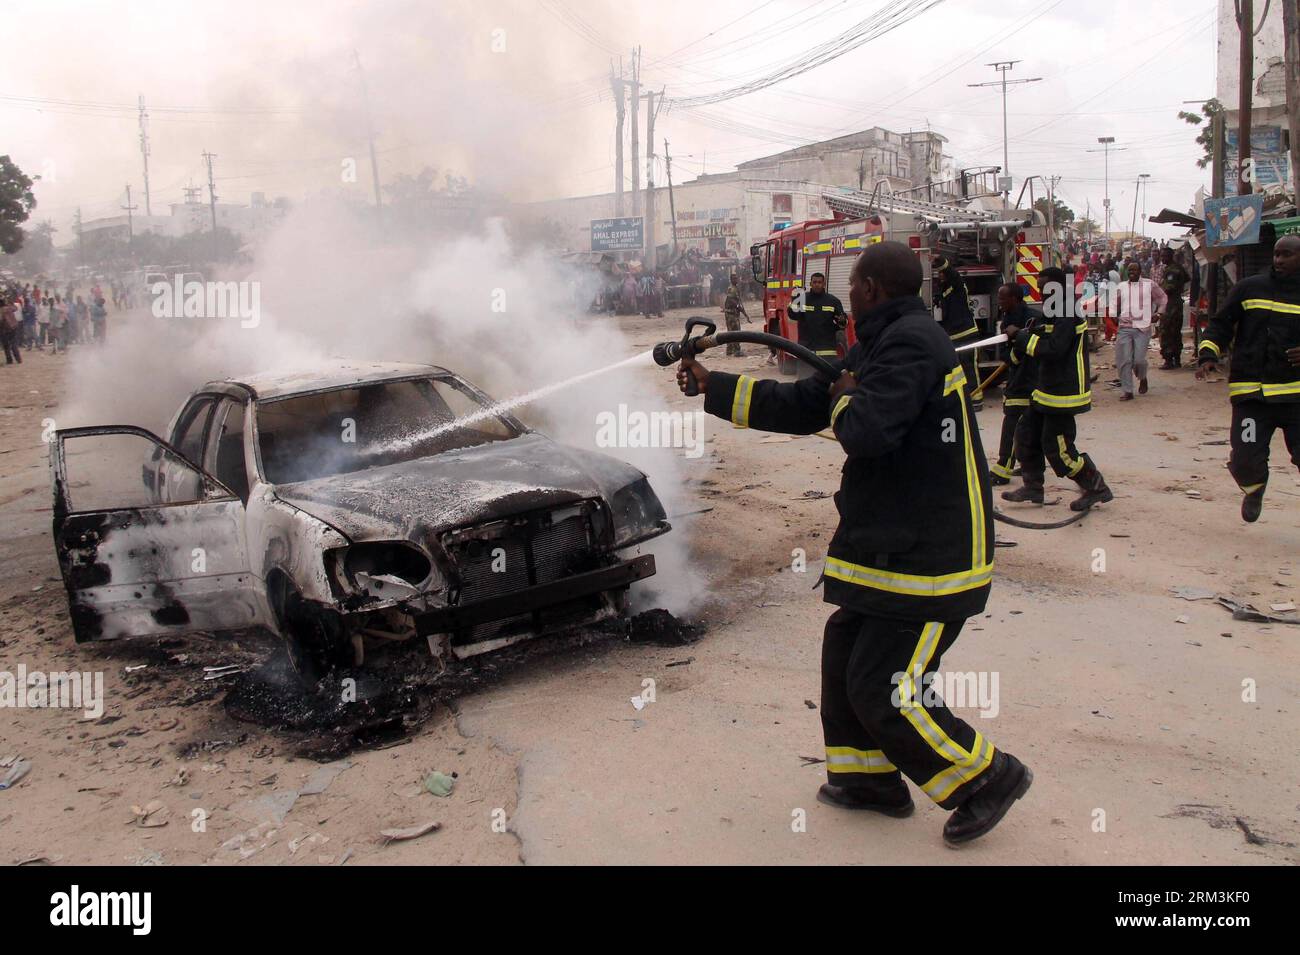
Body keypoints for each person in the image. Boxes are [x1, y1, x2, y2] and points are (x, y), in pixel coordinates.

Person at [674, 241, 1030, 847]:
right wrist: (714, 388)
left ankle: (985, 777)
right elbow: (810, 401)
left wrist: (843, 394)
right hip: (888, 543)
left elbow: (863, 429)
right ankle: (867, 781)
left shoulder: (913, 344)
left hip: (930, 557)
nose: (848, 294)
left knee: (884, 683)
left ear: (869, 288)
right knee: (845, 654)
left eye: (854, 284)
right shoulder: (882, 342)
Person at [1196, 234, 1300, 522]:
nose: (1278, 260)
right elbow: (1220, 324)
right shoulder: (1249, 288)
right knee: (1244, 460)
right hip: (1252, 398)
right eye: (1277, 254)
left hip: (1295, 398)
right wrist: (1208, 355)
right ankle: (1254, 489)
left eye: (1287, 254)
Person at [1001, 267, 1114, 511]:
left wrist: (1021, 339)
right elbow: (1039, 336)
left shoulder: (1067, 312)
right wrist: (1021, 334)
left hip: (1063, 393)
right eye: (1040, 288)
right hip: (1045, 389)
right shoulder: (1053, 310)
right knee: (1026, 434)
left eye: (1045, 288)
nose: (1042, 292)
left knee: (1059, 449)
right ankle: (1033, 487)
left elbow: (1054, 349)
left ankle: (1096, 487)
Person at [990, 283, 1040, 486]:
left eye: (1003, 298)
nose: (999, 302)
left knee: (1013, 423)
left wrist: (1019, 337)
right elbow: (1006, 354)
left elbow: (1036, 350)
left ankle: (1003, 468)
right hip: (1017, 377)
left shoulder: (1033, 319)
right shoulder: (1006, 320)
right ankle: (1031, 465)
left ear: (1016, 299)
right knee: (1028, 426)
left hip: (1030, 380)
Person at [934, 256, 982, 409]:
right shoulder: (945, 289)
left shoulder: (957, 283)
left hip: (967, 332)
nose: (940, 275)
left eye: (942, 272)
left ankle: (976, 398)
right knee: (957, 369)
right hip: (953, 335)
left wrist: (940, 261)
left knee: (970, 367)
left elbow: (951, 273)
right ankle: (963, 397)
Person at [1114, 261, 1166, 400]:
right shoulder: (1122, 287)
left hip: (1142, 327)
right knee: (1124, 360)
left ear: (1140, 271)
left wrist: (1159, 313)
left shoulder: (1150, 285)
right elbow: (1115, 302)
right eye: (1129, 270)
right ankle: (1128, 391)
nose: (1132, 272)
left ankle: (1142, 377)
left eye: (1134, 270)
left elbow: (1162, 298)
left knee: (1139, 360)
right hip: (1125, 327)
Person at [787, 271, 845, 379]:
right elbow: (792, 315)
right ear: (810, 284)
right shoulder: (802, 299)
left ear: (824, 284)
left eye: (819, 282)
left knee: (827, 385)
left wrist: (842, 320)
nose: (817, 284)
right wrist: (794, 300)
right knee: (805, 383)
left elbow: (842, 324)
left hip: (828, 353)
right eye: (814, 282)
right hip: (807, 352)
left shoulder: (833, 301)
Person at [1157, 247, 1191, 369]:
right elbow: (1187, 278)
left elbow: (1168, 288)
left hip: (1170, 304)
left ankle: (1168, 360)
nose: (1162, 259)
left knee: (1166, 331)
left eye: (1164, 256)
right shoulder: (1178, 268)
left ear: (1170, 256)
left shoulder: (1172, 270)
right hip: (1176, 303)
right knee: (1176, 331)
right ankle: (1177, 359)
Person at [722, 273, 749, 357]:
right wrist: (739, 308)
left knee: (731, 332)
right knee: (736, 332)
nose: (736, 280)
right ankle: (736, 351)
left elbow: (739, 302)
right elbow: (732, 301)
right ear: (731, 280)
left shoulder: (735, 288)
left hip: (733, 313)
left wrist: (745, 314)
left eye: (736, 278)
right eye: (734, 278)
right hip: (731, 314)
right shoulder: (732, 289)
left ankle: (729, 350)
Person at [0, 297, 21, 364]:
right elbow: (16, 308)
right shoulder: (9, 308)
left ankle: (9, 360)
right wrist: (9, 303)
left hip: (5, 329)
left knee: (6, 345)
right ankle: (18, 359)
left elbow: (0, 320)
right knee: (14, 344)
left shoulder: (1, 310)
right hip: (14, 327)